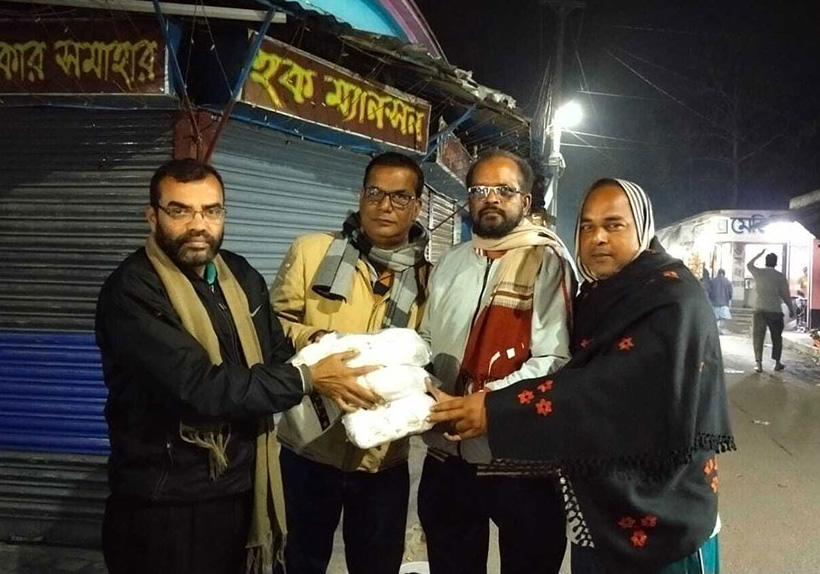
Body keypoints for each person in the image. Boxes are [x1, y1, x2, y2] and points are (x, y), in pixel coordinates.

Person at [429, 178, 735, 574]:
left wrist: (494, 409)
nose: (597, 238)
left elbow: (604, 390)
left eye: (614, 225)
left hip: (662, 521)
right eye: (587, 226)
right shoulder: (595, 295)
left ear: (643, 228)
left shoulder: (672, 299)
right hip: (594, 513)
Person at [96, 158, 381, 574]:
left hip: (239, 486)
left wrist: (325, 354)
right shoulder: (133, 291)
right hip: (166, 500)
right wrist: (308, 377)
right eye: (180, 210)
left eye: (211, 210)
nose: (198, 225)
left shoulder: (240, 276)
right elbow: (199, 388)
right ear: (152, 216)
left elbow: (276, 352)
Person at [270, 152, 430, 574]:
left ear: (417, 206)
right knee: (297, 562)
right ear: (361, 196)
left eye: (400, 196)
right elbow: (271, 325)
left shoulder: (429, 277)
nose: (385, 206)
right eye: (375, 193)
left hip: (382, 457)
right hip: (308, 447)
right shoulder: (311, 252)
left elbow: (429, 352)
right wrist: (314, 340)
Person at [418, 149, 574, 574]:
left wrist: (488, 405)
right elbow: (427, 338)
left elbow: (555, 358)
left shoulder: (547, 261)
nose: (491, 198)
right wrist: (427, 389)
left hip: (520, 460)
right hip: (447, 454)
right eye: (480, 190)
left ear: (526, 201)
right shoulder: (450, 262)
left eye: (505, 190)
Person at [747, 250, 794, 372]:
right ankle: (777, 363)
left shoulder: (759, 273)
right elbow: (785, 294)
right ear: (776, 263)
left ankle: (759, 364)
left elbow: (749, 265)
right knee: (776, 337)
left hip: (759, 309)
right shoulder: (780, 276)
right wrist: (791, 308)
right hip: (775, 310)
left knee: (758, 337)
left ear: (766, 262)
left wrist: (759, 254)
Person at [708, 269, 733, 333]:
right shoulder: (728, 282)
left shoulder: (712, 281)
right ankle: (720, 329)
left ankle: (716, 329)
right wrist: (728, 299)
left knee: (715, 318)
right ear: (724, 274)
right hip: (724, 303)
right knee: (723, 318)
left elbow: (709, 292)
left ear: (718, 273)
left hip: (714, 302)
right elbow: (730, 293)